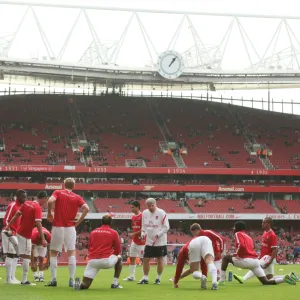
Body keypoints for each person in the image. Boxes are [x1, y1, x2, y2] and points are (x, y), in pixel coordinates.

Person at [219, 221, 295, 285]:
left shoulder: (238, 233)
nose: (233, 229)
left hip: (246, 260)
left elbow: (241, 245)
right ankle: (283, 279)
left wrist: (237, 254)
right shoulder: (249, 237)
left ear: (237, 228)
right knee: (266, 282)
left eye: (234, 227)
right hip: (255, 261)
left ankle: (222, 280)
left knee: (226, 258)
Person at [45, 178, 89, 287]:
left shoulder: (58, 192)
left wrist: (50, 213)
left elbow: (50, 201)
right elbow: (86, 208)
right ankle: (71, 279)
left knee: (54, 252)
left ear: (64, 184)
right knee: (71, 252)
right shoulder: (77, 197)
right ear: (73, 186)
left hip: (58, 227)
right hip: (70, 228)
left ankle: (54, 279)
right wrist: (78, 222)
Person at [4, 191, 48, 286]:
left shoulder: (27, 203)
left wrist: (8, 227)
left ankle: (11, 277)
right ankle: (24, 280)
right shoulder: (37, 208)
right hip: (26, 235)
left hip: (19, 232)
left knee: (16, 254)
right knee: (26, 257)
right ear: (43, 198)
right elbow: (39, 224)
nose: (45, 202)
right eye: (46, 199)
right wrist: (43, 239)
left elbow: (17, 215)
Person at [74, 214, 123, 290]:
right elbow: (117, 250)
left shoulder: (93, 232)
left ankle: (79, 284)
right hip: (105, 261)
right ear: (111, 223)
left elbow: (89, 246)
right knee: (119, 258)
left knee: (86, 284)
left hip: (92, 260)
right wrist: (111, 255)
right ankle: (115, 283)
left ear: (101, 222)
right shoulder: (114, 232)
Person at [138, 198, 169, 285]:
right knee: (146, 259)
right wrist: (143, 233)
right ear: (146, 206)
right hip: (149, 241)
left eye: (152, 205)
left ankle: (158, 278)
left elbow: (166, 227)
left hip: (160, 241)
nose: (151, 207)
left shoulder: (161, 213)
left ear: (155, 204)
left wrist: (158, 234)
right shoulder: (144, 213)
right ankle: (145, 278)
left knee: (159, 260)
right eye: (149, 206)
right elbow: (144, 226)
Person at [1, 190, 26, 284]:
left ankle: (12, 277)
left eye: (25, 197)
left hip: (15, 234)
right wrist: (9, 229)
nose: (25, 198)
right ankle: (8, 279)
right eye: (23, 197)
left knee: (15, 255)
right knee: (10, 254)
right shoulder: (13, 205)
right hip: (8, 232)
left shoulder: (21, 207)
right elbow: (6, 219)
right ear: (18, 196)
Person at [124, 200, 145, 281]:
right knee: (132, 257)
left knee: (143, 259)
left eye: (132, 207)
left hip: (142, 241)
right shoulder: (133, 217)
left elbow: (144, 228)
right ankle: (132, 276)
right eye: (130, 207)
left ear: (137, 207)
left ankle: (144, 277)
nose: (131, 209)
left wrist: (134, 234)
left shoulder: (142, 216)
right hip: (134, 241)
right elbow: (135, 228)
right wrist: (132, 234)